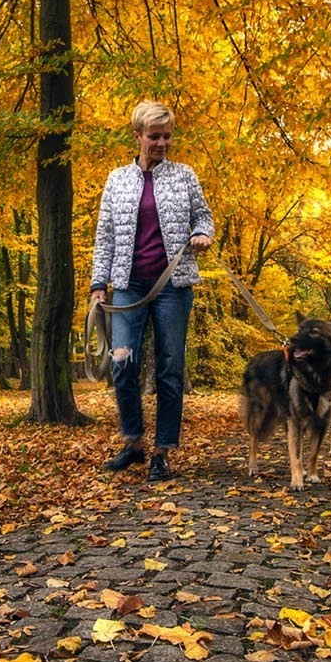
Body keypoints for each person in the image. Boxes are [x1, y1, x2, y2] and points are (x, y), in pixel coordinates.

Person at [89, 100, 214, 482]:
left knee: (169, 370)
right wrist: (98, 284)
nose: (162, 143)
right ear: (138, 136)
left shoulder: (185, 176)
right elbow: (105, 236)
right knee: (123, 363)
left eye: (167, 136)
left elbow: (204, 216)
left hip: (173, 286)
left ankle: (162, 451)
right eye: (154, 136)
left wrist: (203, 233)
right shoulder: (116, 180)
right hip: (128, 287)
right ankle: (134, 442)